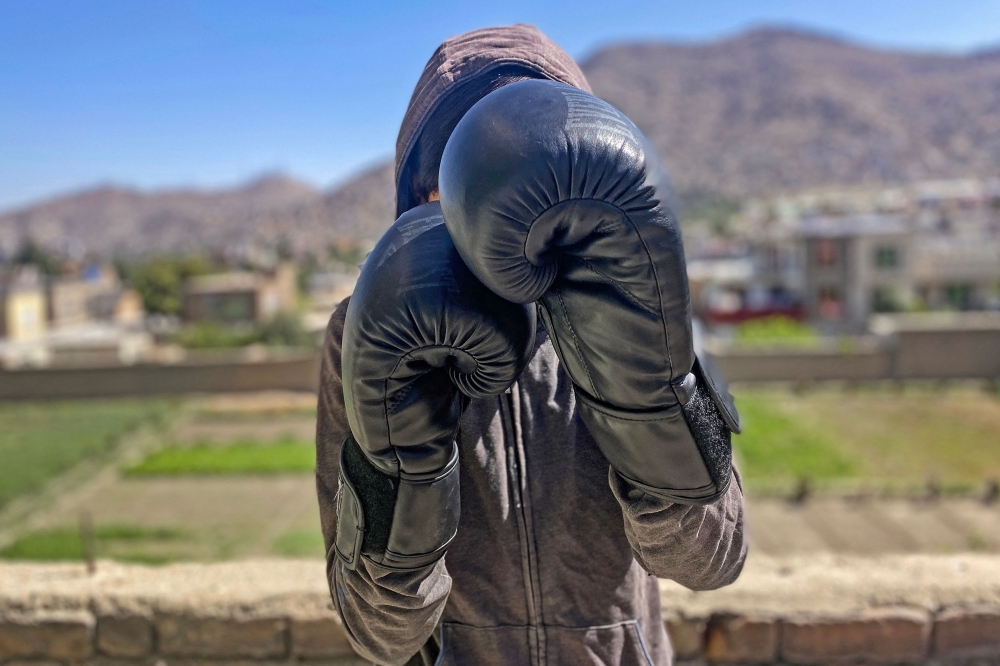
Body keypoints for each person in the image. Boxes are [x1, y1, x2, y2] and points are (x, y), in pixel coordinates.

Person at [315, 24, 747, 666]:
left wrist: (645, 411)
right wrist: (405, 483)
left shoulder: (645, 298)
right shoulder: (363, 334)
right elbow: (380, 637)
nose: (490, 200)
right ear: (422, 197)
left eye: (513, 162)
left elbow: (714, 561)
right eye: (463, 170)